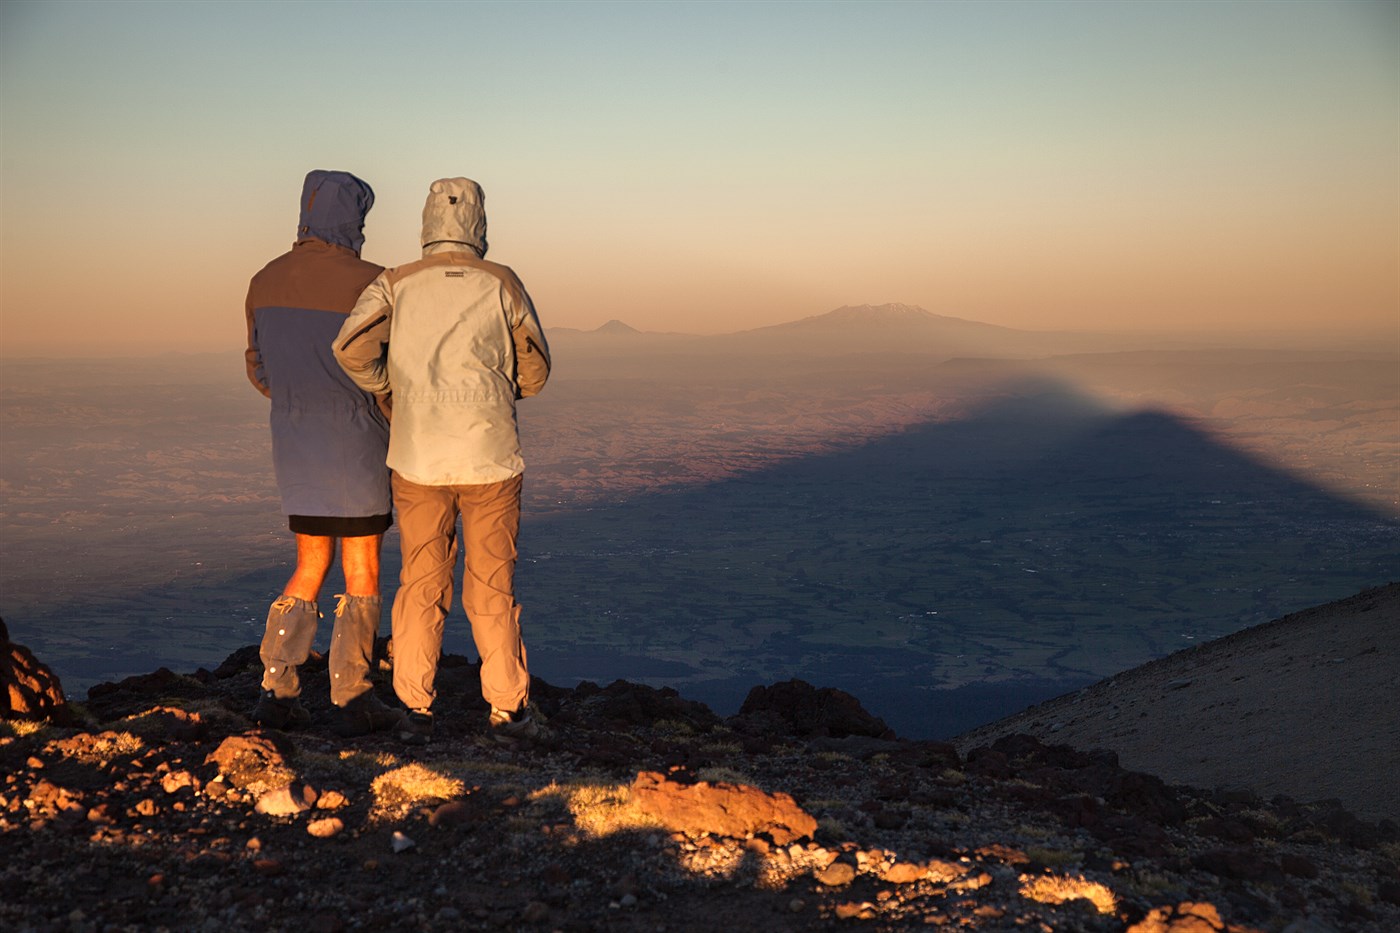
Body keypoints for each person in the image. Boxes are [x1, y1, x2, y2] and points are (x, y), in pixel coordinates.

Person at [334, 176, 551, 746]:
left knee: (421, 583)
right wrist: (505, 392)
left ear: (427, 224)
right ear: (478, 223)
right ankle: (509, 711)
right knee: (491, 588)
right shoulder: (501, 282)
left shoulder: (395, 282)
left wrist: (392, 389)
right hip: (491, 457)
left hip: (418, 457)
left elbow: (349, 346)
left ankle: (413, 705)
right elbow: (537, 365)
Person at [244, 170, 403, 737]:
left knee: (310, 561)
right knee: (362, 565)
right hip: (359, 440)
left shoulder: (264, 280)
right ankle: (353, 693)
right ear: (354, 218)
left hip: (296, 442)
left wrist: (297, 404)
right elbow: (389, 366)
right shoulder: (376, 281)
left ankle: (277, 686)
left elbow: (259, 366)